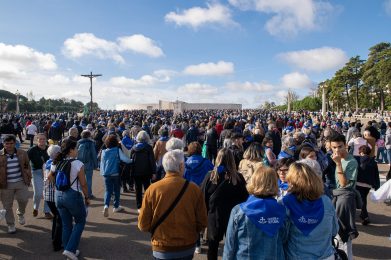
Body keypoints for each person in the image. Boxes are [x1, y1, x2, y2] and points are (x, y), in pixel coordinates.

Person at [138, 149, 208, 260]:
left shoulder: (152, 189)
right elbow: (203, 221)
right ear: (181, 166)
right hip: (187, 245)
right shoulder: (194, 189)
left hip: (161, 246)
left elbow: (143, 224)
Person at [223, 166, 287, 260]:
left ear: (254, 181)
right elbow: (284, 239)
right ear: (274, 183)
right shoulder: (282, 210)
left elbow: (230, 245)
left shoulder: (239, 211)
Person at [282, 162, 339, 259]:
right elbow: (334, 230)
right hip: (326, 256)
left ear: (291, 181)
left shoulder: (285, 203)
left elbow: (282, 236)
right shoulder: (326, 201)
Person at [201, 148, 248, 260]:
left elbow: (202, 196)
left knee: (213, 246)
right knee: (232, 245)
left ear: (218, 159)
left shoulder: (211, 176)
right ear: (232, 160)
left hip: (214, 215)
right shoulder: (238, 177)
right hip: (233, 215)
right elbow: (245, 198)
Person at [50, 137, 90, 260]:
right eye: (76, 148)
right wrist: (87, 197)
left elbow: (50, 177)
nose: (77, 150)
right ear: (71, 150)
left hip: (58, 195)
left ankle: (68, 249)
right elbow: (83, 183)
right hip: (72, 195)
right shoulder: (78, 163)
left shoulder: (56, 162)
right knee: (80, 221)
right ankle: (70, 249)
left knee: (66, 224)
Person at [330, 134, 359, 260]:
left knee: (344, 234)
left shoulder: (351, 161)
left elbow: (344, 184)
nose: (337, 150)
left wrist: (338, 164)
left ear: (346, 145)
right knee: (336, 232)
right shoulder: (338, 158)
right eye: (334, 147)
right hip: (337, 196)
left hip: (346, 199)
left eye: (340, 146)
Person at [0, 134, 31, 234]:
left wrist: (28, 177)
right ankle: (11, 224)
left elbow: (27, 165)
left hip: (20, 181)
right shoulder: (0, 155)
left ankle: (20, 213)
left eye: (11, 143)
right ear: (3, 144)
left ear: (15, 143)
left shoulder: (22, 153)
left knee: (24, 199)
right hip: (6, 184)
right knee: (7, 206)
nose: (9, 145)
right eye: (6, 143)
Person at [100, 134, 132, 217]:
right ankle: (116, 206)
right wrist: (132, 160)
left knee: (108, 191)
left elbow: (102, 164)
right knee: (116, 190)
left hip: (106, 174)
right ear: (115, 142)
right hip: (116, 173)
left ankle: (106, 206)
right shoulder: (117, 150)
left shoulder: (104, 152)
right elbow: (125, 159)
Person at [27, 133, 52, 218]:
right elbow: (25, 162)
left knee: (48, 192)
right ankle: (35, 208)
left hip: (48, 173)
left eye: (43, 139)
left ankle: (47, 211)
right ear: (37, 140)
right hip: (36, 172)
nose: (42, 141)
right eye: (40, 139)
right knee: (38, 193)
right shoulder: (32, 150)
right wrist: (27, 173)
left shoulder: (49, 149)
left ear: (46, 140)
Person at [131, 131, 156, 211]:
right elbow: (152, 160)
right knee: (147, 189)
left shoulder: (134, 147)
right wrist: (154, 172)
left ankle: (139, 206)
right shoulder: (148, 147)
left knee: (138, 190)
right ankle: (147, 204)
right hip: (146, 171)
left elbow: (131, 160)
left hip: (136, 171)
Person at [355, 145, 380, 225]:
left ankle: (365, 216)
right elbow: (376, 174)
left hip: (358, 183)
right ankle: (363, 215)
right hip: (368, 185)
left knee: (361, 200)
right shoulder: (373, 162)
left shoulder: (357, 159)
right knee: (363, 199)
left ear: (361, 152)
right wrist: (377, 186)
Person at [44, 144, 62, 251]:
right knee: (60, 219)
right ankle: (57, 243)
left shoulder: (47, 162)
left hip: (47, 195)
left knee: (56, 217)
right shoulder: (56, 164)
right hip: (54, 195)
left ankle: (54, 238)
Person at [77, 130, 98, 199]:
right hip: (89, 164)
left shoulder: (78, 143)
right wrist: (96, 165)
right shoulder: (91, 143)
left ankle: (80, 193)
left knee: (80, 180)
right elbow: (94, 155)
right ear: (89, 136)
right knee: (89, 180)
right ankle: (89, 194)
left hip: (80, 164)